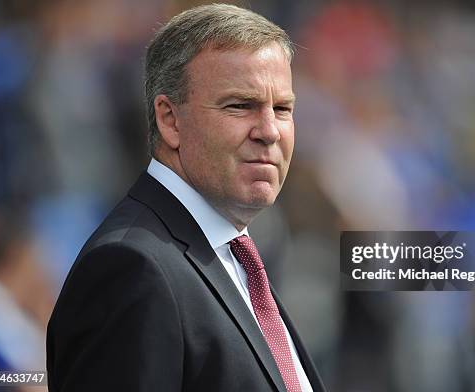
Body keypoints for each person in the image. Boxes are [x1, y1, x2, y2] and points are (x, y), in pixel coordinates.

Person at [46, 4, 325, 392]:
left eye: (282, 108)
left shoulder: (233, 255)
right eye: (240, 106)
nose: (269, 131)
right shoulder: (131, 268)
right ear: (169, 120)